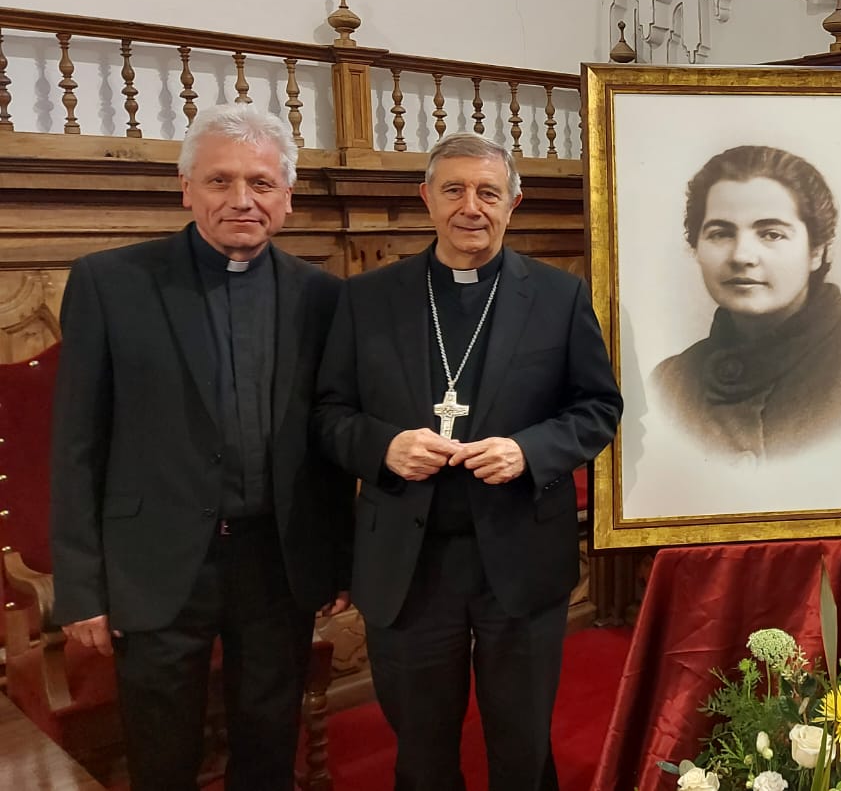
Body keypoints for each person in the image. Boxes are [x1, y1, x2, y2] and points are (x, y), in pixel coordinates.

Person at [49, 103, 353, 790]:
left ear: (288, 196)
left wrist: (336, 557)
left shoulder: (324, 297)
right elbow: (74, 442)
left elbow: (326, 439)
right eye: (220, 181)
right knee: (162, 754)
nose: (241, 200)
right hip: (152, 562)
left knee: (268, 744)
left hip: (275, 560)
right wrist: (80, 589)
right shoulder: (111, 283)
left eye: (261, 183)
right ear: (185, 188)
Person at [315, 133, 622, 791]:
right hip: (409, 563)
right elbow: (328, 415)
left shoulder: (557, 297)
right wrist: (383, 446)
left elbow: (597, 408)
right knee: (421, 752)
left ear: (514, 201)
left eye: (488, 191)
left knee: (521, 745)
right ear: (426, 198)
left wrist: (528, 450)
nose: (470, 207)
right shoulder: (368, 298)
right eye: (453, 189)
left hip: (519, 554)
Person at [650, 144, 841, 461]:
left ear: (817, 251)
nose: (741, 256)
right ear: (695, 247)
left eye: (772, 234)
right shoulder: (669, 384)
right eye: (720, 233)